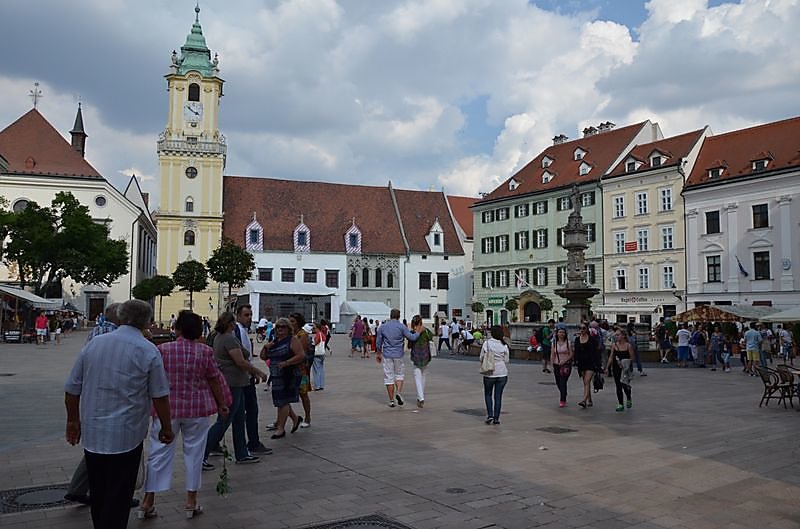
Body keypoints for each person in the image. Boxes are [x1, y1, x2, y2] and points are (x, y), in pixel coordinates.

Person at [64, 299, 173, 529]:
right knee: (119, 495)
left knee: (99, 491)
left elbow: (72, 389)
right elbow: (160, 396)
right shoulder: (148, 350)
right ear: (147, 322)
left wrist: (73, 421)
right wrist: (166, 427)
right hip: (126, 434)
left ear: (121, 317)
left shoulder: (95, 344)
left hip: (94, 433)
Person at [138, 311, 229, 520]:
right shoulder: (204, 352)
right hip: (196, 409)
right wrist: (222, 404)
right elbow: (214, 379)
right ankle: (190, 500)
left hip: (166, 410)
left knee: (158, 453)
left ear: (177, 328)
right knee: (195, 454)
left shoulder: (162, 350)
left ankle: (148, 501)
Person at [64, 303, 124, 507]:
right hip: (112, 395)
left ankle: (77, 489)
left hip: (93, 395)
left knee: (95, 450)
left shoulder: (95, 331)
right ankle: (112, 496)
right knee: (115, 451)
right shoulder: (116, 335)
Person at [203, 312, 267, 470]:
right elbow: (240, 362)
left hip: (235, 382)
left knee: (239, 419)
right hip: (232, 383)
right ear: (230, 323)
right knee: (224, 420)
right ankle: (202, 453)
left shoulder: (219, 337)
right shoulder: (228, 338)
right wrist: (257, 372)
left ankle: (242, 453)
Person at [234, 304, 272, 456]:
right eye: (246, 315)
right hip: (241, 378)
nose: (249, 318)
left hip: (246, 376)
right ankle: (252, 443)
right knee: (247, 411)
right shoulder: (237, 331)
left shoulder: (242, 331)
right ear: (238, 316)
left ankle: (252, 442)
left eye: (250, 315)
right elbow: (240, 359)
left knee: (244, 411)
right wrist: (256, 373)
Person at [260, 317, 306, 438]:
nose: (280, 329)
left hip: (289, 375)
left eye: (283, 326)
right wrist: (265, 347)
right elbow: (263, 357)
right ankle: (295, 419)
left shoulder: (292, 340)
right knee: (280, 401)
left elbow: (301, 355)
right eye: (278, 327)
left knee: (283, 401)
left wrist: (286, 363)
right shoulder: (274, 341)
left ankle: (280, 428)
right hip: (276, 376)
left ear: (288, 328)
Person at [376, 309, 421, 407]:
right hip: (398, 355)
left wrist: (378, 353)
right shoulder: (402, 327)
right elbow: (412, 337)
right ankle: (398, 393)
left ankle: (391, 401)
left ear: (390, 315)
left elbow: (378, 341)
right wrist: (418, 332)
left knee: (388, 377)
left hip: (387, 355)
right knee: (399, 375)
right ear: (399, 316)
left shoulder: (383, 327)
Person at [480, 326, 509, 425]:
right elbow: (507, 360)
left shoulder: (487, 343)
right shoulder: (504, 345)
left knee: (488, 394)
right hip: (502, 373)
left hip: (489, 372)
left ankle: (490, 415)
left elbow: (481, 357)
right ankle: (496, 418)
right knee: (498, 396)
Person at [289, 313, 313, 428]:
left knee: (303, 394)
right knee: (285, 395)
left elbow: (301, 353)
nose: (291, 323)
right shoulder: (291, 334)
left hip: (301, 369)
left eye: (293, 321)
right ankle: (285, 418)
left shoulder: (302, 335)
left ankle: (307, 417)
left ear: (298, 322)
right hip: (291, 368)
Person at [408, 315, 434, 408]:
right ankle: (420, 397)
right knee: (423, 377)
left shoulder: (412, 332)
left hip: (416, 357)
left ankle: (421, 398)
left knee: (417, 377)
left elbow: (409, 345)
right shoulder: (426, 330)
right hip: (426, 356)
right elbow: (432, 337)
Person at [607, 329, 635, 412]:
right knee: (618, 385)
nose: (616, 336)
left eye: (618, 335)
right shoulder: (614, 345)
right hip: (616, 367)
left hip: (625, 369)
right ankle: (620, 404)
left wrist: (626, 362)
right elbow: (611, 357)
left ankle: (629, 397)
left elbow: (632, 357)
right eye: (616, 335)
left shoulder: (628, 346)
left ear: (623, 336)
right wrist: (606, 368)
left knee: (625, 385)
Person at [574, 324, 600, 408]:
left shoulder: (592, 340)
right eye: (580, 328)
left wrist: (598, 364)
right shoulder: (577, 339)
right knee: (585, 382)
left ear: (587, 329)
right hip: (581, 363)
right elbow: (576, 352)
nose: (582, 330)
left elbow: (596, 352)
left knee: (587, 380)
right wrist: (575, 362)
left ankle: (584, 400)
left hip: (590, 363)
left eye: (583, 328)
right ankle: (589, 399)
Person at [550, 327, 573, 407]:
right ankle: (564, 392)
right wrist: (552, 364)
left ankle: (562, 400)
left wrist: (565, 360)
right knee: (558, 382)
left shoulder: (568, 343)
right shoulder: (554, 343)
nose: (561, 334)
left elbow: (571, 354)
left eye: (563, 332)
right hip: (557, 364)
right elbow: (552, 354)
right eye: (560, 332)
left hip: (566, 365)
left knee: (563, 382)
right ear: (557, 333)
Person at [311, 322, 327, 391]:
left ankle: (317, 385)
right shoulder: (323, 334)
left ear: (317, 328)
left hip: (316, 354)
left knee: (316, 370)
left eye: (314, 328)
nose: (313, 329)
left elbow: (315, 343)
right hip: (322, 353)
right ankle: (321, 385)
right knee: (321, 370)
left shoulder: (318, 334)